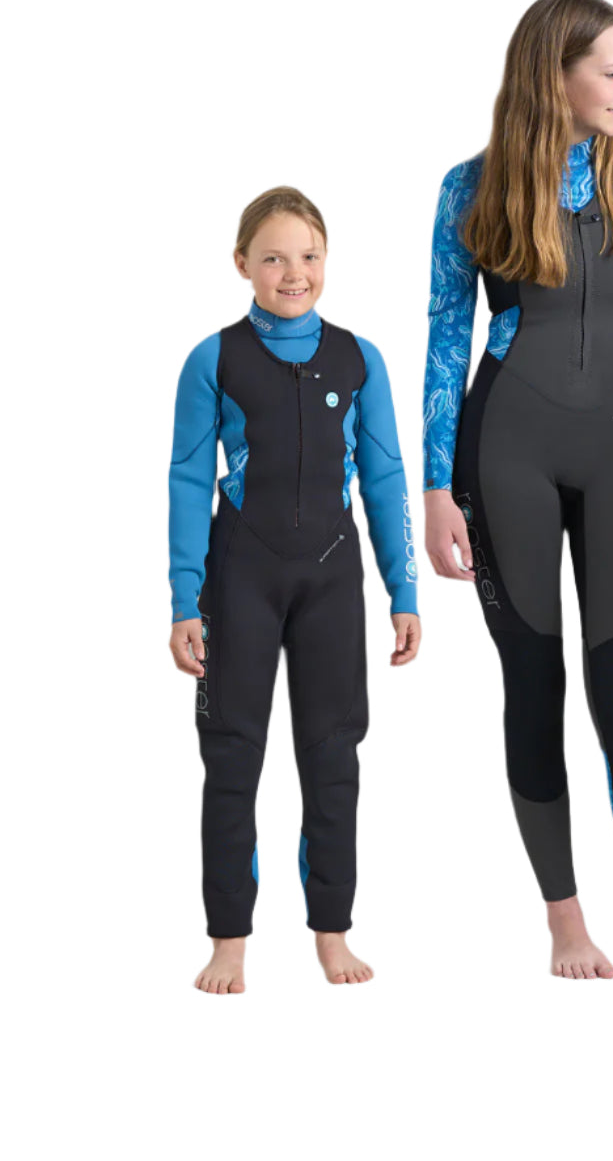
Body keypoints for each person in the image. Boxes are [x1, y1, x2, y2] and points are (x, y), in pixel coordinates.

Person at [423, 0, 613, 983]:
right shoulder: (472, 188)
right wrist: (436, 488)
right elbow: (446, 337)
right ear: (557, 75)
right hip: (505, 458)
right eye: (611, 72)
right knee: (533, 687)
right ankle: (566, 925)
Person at [169, 185, 422, 993]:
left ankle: (332, 934)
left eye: (308, 256)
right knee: (232, 759)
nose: (293, 272)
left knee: (333, 758)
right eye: (273, 257)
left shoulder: (359, 359)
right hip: (239, 576)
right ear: (241, 263)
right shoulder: (213, 359)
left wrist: (403, 589)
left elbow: (385, 477)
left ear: (326, 260)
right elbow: (187, 482)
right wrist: (184, 600)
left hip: (331, 579)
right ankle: (229, 942)